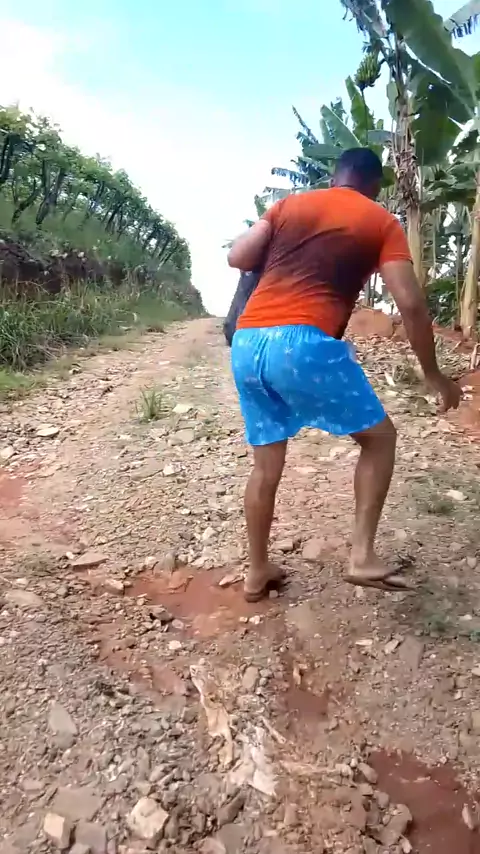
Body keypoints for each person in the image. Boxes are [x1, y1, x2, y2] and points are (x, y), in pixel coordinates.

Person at [227, 148, 461, 602]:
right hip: (302, 343)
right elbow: (410, 304)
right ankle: (362, 556)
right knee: (380, 439)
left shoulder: (288, 205)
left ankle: (256, 571)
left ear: (335, 176)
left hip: (247, 341)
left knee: (265, 465)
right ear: (375, 184)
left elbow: (238, 256)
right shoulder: (380, 220)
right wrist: (433, 373)